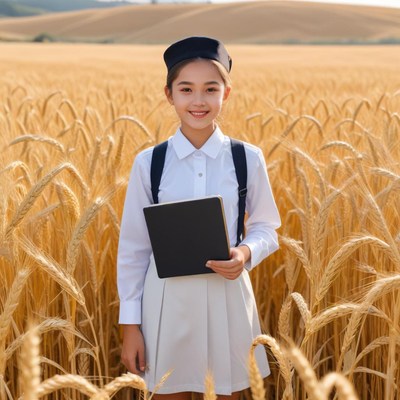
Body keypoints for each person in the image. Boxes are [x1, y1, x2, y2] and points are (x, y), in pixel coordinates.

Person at [117, 36, 281, 400]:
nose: (198, 100)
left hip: (228, 296)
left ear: (227, 93)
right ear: (169, 94)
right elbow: (133, 248)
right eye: (186, 89)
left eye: (211, 89)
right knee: (165, 393)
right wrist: (131, 324)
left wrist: (245, 254)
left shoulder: (247, 158)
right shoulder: (150, 163)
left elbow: (267, 227)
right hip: (165, 302)